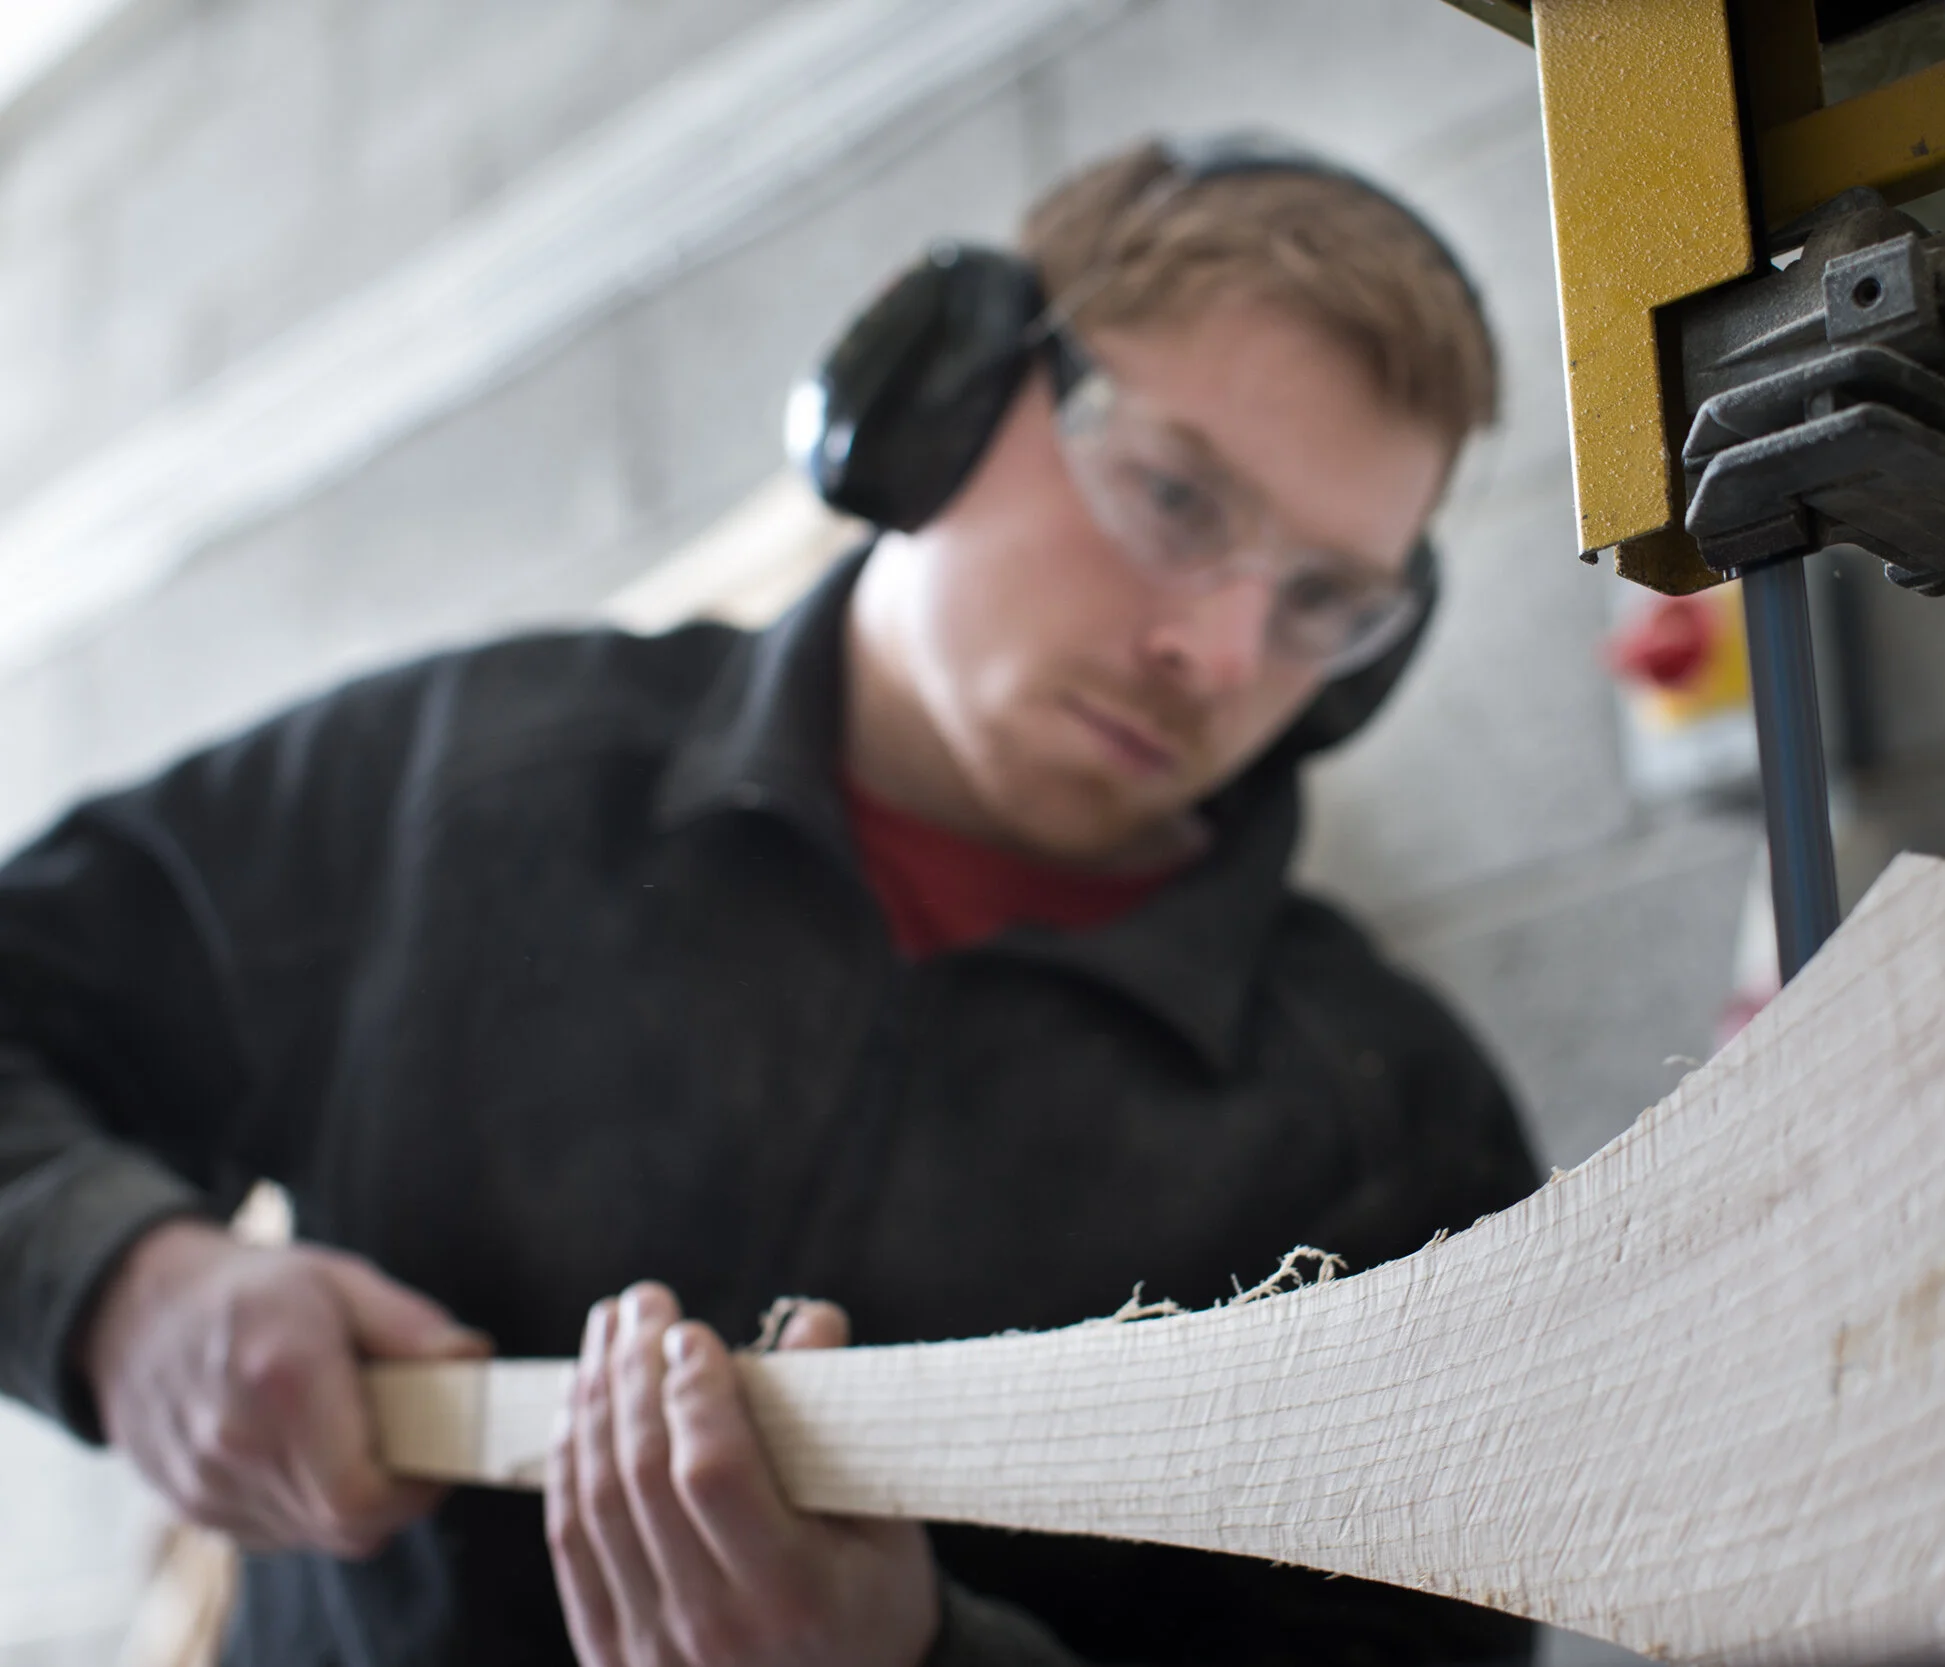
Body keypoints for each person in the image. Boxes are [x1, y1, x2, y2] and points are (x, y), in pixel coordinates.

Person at [0, 135, 1539, 1666]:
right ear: (938, 403)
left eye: (1325, 600)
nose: (1221, 651)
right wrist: (122, 1283)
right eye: (1177, 497)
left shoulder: (1392, 1135)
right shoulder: (463, 780)